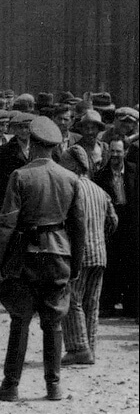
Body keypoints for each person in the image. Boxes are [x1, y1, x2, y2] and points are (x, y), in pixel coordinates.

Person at [0, 117, 85, 402]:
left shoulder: (20, 176)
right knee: (53, 322)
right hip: (59, 254)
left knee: (20, 320)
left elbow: (6, 225)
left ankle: (11, 384)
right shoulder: (70, 178)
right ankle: (53, 385)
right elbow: (78, 226)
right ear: (55, 147)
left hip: (25, 255)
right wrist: (76, 264)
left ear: (32, 144)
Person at [59, 145, 118, 365]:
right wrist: (100, 236)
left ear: (74, 165)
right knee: (92, 303)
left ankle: (77, 348)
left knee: (72, 299)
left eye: (64, 163)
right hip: (99, 254)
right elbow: (113, 221)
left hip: (78, 254)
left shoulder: (71, 188)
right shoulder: (99, 190)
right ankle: (90, 347)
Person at [94, 139, 138, 318]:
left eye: (118, 151)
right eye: (111, 151)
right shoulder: (100, 175)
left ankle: (131, 306)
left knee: (132, 265)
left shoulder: (135, 171)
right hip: (112, 224)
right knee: (112, 264)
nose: (114, 155)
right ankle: (108, 304)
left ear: (125, 152)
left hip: (132, 223)